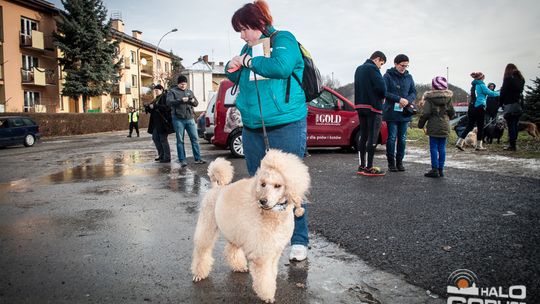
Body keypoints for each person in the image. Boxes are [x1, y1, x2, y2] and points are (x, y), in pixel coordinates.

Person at [225, 0, 309, 261]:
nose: (241, 35)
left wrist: (249, 61)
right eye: (238, 31)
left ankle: (299, 241)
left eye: (243, 29)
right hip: (252, 127)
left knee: (288, 187)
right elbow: (243, 78)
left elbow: (281, 67)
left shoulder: (283, 38)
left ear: (257, 24)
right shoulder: (246, 48)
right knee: (259, 188)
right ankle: (262, 240)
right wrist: (233, 69)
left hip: (286, 124)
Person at [354, 51, 387, 176]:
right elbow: (382, 88)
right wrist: (382, 96)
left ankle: (362, 165)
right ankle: (369, 167)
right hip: (373, 107)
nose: (380, 66)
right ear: (377, 59)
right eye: (381, 63)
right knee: (373, 136)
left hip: (360, 105)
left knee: (363, 135)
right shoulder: (373, 69)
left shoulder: (359, 69)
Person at [382, 54, 417, 172]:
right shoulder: (387, 76)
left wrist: (408, 100)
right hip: (391, 112)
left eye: (406, 66)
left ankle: (400, 162)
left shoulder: (409, 77)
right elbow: (384, 92)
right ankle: (391, 163)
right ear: (396, 64)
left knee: (402, 138)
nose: (404, 68)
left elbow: (414, 92)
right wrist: (399, 99)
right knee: (392, 138)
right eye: (402, 65)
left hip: (405, 113)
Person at [418, 76, 455, 178]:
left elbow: (426, 113)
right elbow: (452, 113)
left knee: (433, 148)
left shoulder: (429, 99)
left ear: (433, 87)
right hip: (445, 125)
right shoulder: (448, 98)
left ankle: (434, 169)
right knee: (442, 148)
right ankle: (441, 169)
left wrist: (420, 124)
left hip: (433, 126)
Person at [166, 75, 206, 167]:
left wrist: (191, 100)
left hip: (190, 119)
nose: (183, 86)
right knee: (180, 140)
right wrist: (180, 100)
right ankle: (182, 160)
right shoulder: (172, 92)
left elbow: (196, 103)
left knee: (195, 139)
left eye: (184, 84)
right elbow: (168, 102)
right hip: (178, 119)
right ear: (178, 83)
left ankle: (198, 158)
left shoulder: (189, 92)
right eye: (181, 84)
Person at [455, 72, 499, 151]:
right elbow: (491, 93)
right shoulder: (481, 85)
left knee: (469, 126)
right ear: (482, 78)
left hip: (471, 107)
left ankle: (459, 142)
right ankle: (478, 146)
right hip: (479, 107)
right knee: (480, 127)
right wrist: (501, 92)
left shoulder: (473, 85)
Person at [499, 63, 525, 151]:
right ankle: (514, 144)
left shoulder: (508, 79)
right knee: (515, 125)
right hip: (518, 105)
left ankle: (512, 145)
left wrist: (500, 103)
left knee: (511, 126)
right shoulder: (521, 79)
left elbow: (503, 92)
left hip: (509, 104)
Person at [145, 84, 172, 163]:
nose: (156, 92)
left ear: (162, 90)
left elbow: (167, 108)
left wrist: (155, 106)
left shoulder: (164, 97)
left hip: (163, 123)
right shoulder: (155, 99)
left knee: (163, 139)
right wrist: (148, 107)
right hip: (156, 123)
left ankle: (167, 157)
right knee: (155, 138)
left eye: (157, 90)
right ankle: (161, 155)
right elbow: (154, 109)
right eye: (155, 91)